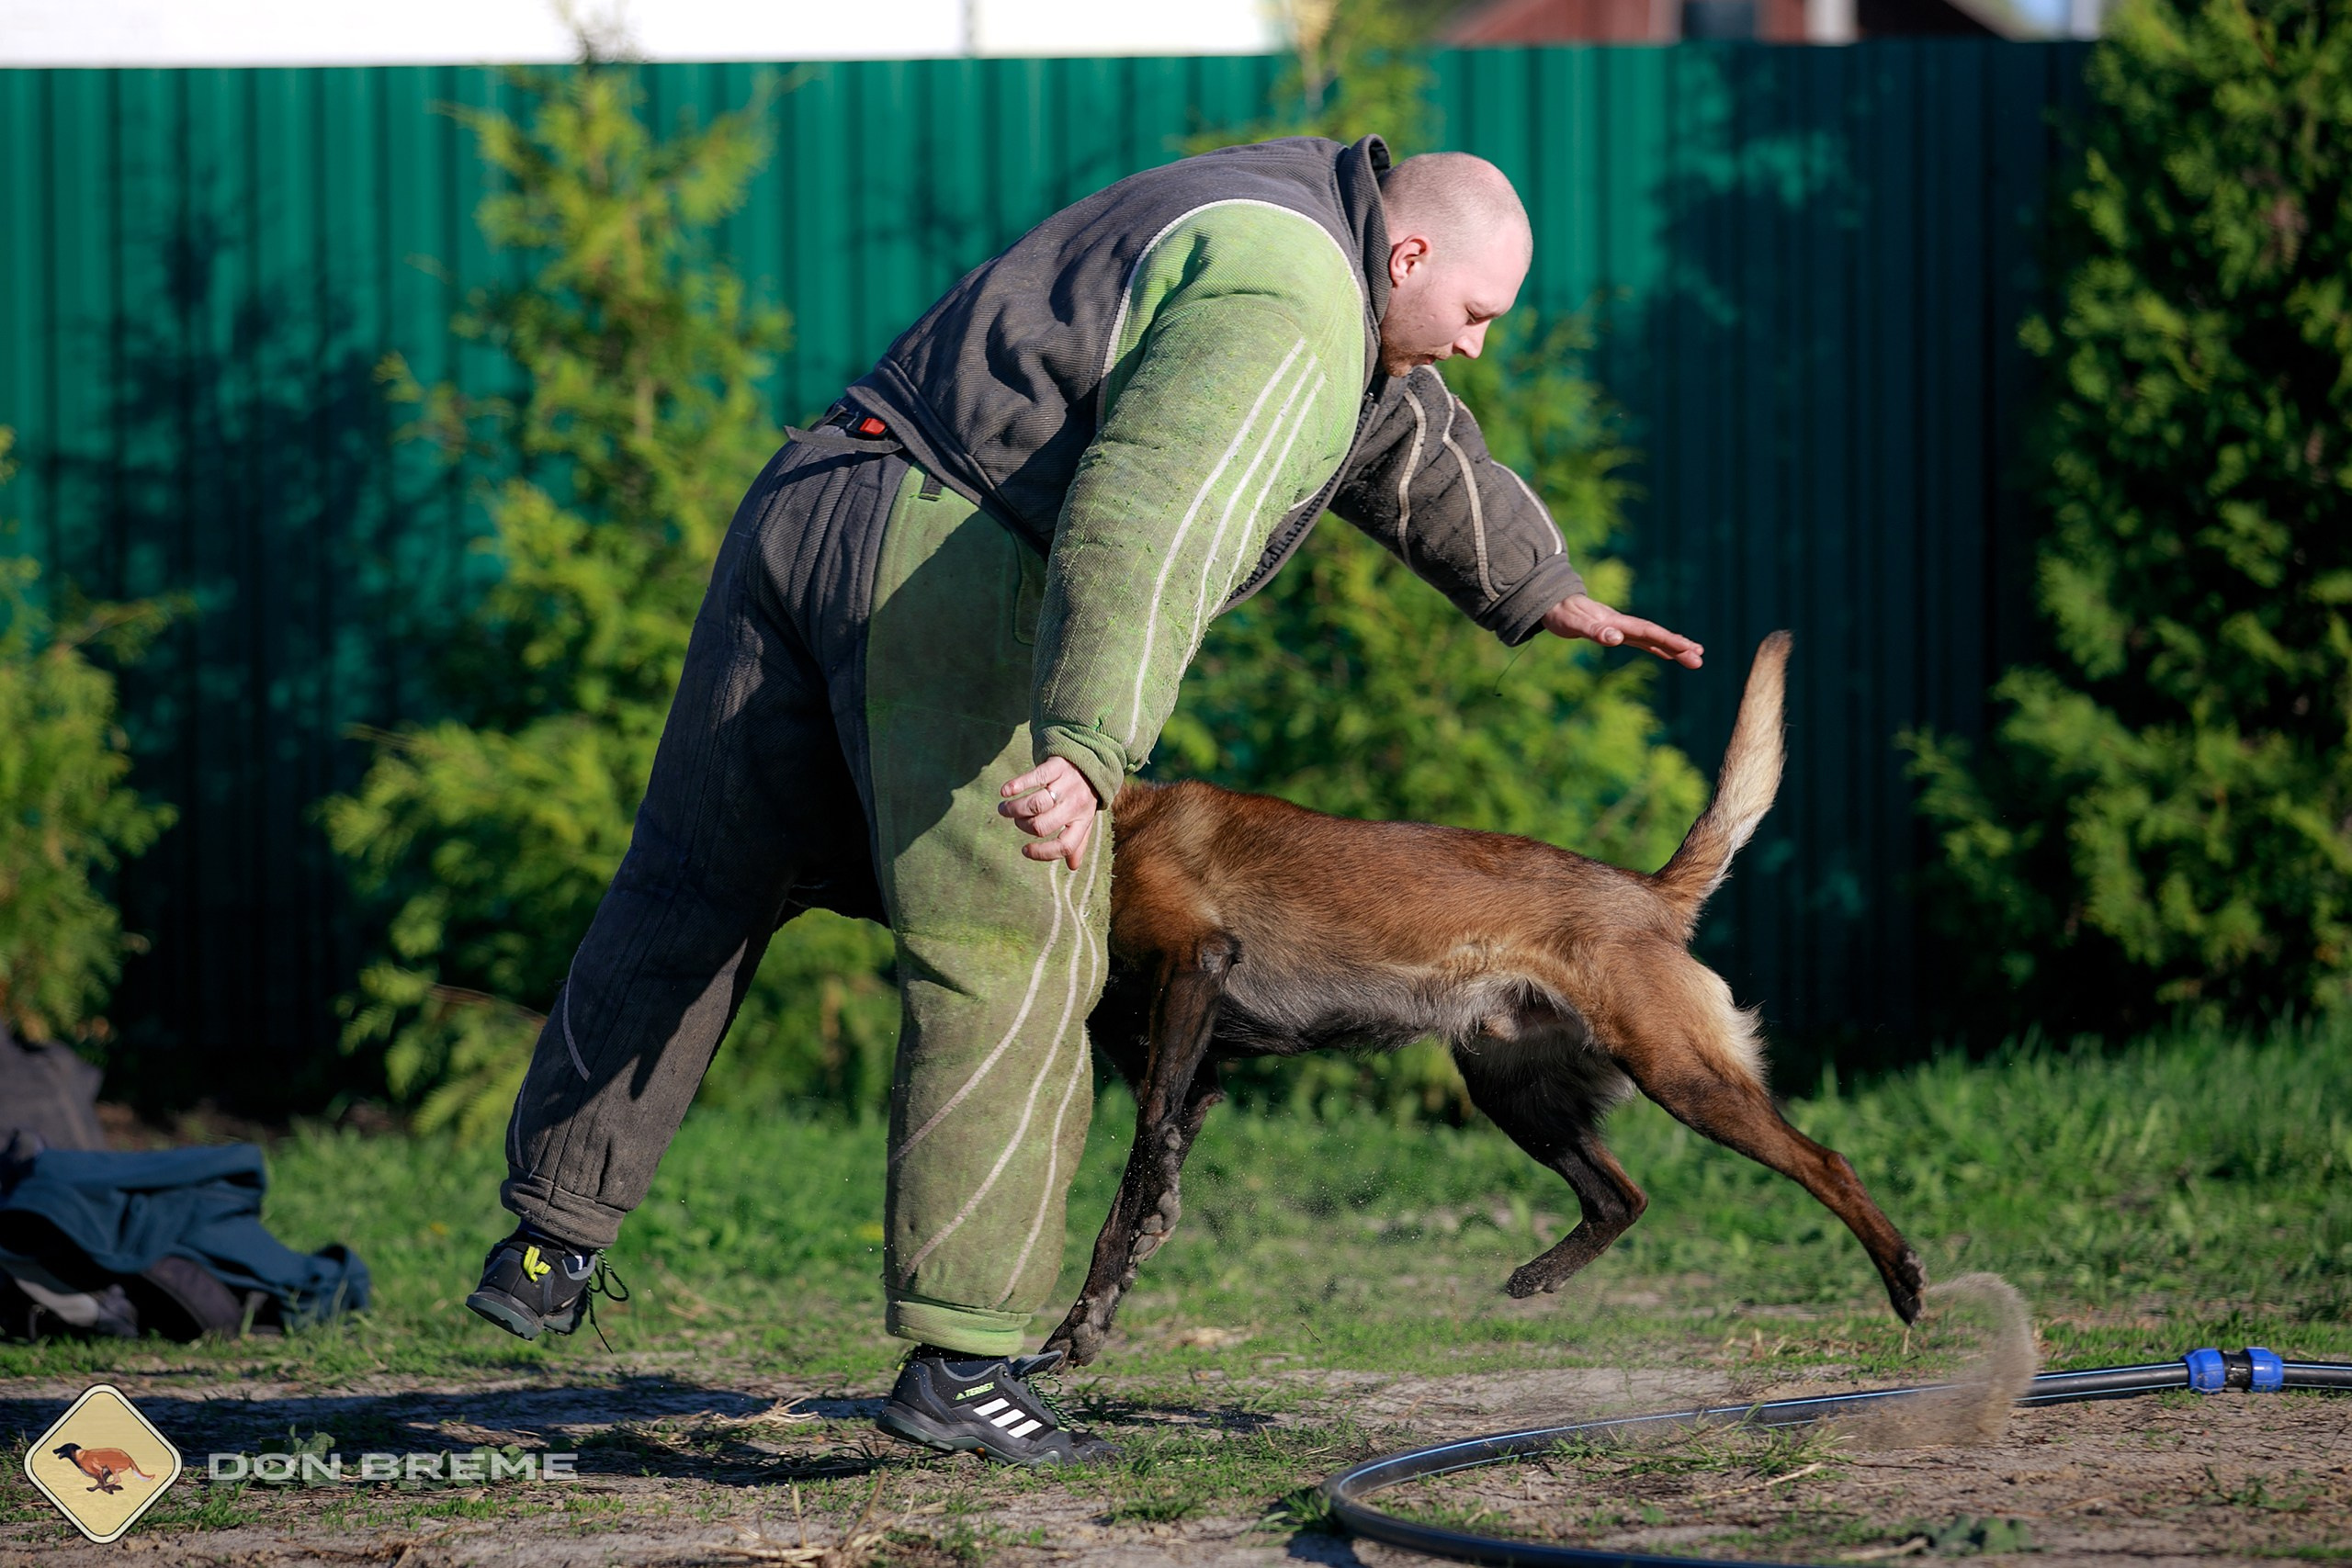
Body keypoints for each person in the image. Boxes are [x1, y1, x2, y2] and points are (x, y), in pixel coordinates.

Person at [462, 133, 1702, 1464]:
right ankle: (965, 1365)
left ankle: (548, 1242)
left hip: (814, 497)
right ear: (1406, 255)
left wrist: (1535, 583)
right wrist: (1093, 745)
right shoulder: (1294, 297)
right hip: (946, 562)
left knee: (698, 879)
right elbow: (1151, 514)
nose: (1474, 346)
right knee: (1014, 950)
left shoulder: (1278, 212)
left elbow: (1383, 422)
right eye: (1475, 313)